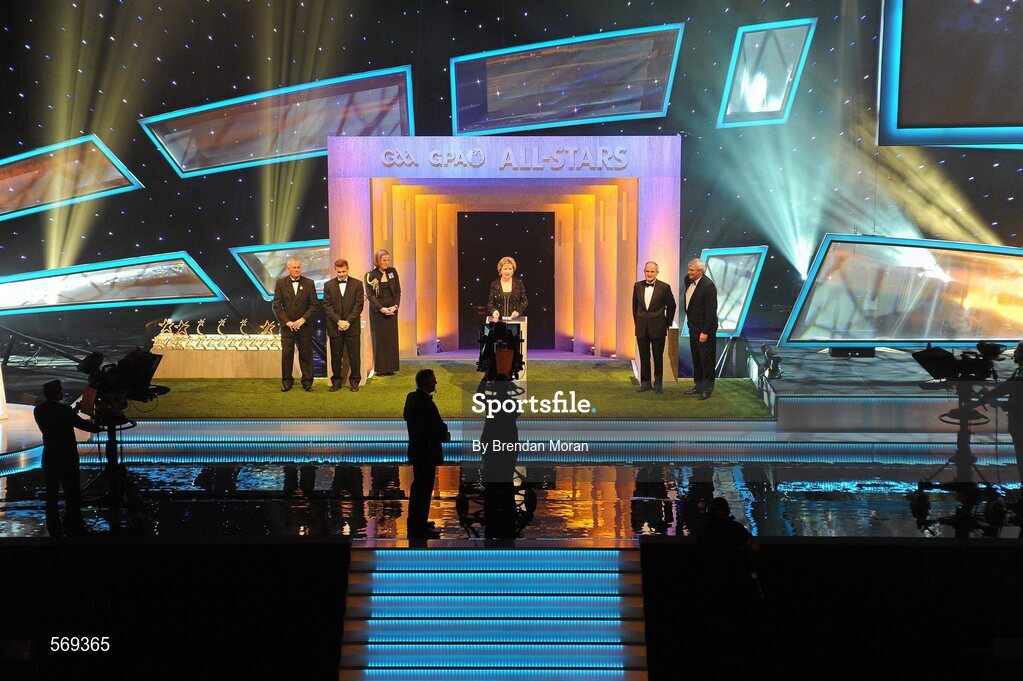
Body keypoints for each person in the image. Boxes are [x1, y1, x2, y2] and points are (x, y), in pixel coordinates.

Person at [33, 380, 101, 538]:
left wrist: (72, 411)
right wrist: (96, 423)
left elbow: (61, 419)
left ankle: (54, 529)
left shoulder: (39, 410)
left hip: (50, 457)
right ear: (57, 392)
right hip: (67, 457)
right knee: (72, 494)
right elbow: (83, 425)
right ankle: (74, 527)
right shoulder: (64, 411)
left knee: (51, 496)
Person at [403, 369, 449, 539]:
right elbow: (434, 426)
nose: (436, 382)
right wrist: (444, 432)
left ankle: (417, 521)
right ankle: (419, 525)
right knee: (423, 489)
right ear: (426, 382)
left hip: (418, 451)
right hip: (426, 452)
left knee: (419, 488)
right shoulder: (425, 403)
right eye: (434, 380)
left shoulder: (412, 399)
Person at [982, 340, 1023, 500]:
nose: (1014, 353)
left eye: (1018, 350)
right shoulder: (1019, 372)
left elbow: (1018, 401)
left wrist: (998, 403)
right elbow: (1007, 387)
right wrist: (988, 397)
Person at [272, 258, 319, 392]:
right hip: (287, 326)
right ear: (288, 269)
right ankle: (287, 382)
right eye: (294, 267)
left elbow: (314, 305)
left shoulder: (309, 283)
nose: (297, 269)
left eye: (299, 267)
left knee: (306, 354)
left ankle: (307, 382)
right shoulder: (281, 283)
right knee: (287, 355)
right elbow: (276, 306)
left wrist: (303, 319)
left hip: (304, 326)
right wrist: (287, 322)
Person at [632, 261, 677, 394]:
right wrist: (637, 322)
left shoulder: (664, 287)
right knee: (644, 356)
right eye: (647, 271)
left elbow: (672, 306)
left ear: (657, 272)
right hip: (641, 328)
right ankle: (645, 384)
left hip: (658, 328)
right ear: (644, 271)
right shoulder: (637, 286)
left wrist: (667, 323)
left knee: (658, 357)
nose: (649, 274)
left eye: (652, 271)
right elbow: (634, 307)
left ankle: (658, 385)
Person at [322, 258, 365, 393]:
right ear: (335, 270)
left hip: (352, 326)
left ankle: (355, 382)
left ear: (348, 269)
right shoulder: (328, 285)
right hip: (335, 326)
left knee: (354, 355)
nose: (341, 274)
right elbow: (327, 306)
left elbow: (359, 306)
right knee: (335, 356)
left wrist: (347, 322)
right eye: (339, 271)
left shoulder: (358, 284)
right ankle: (336, 382)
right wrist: (338, 321)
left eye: (343, 271)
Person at [683, 258, 719, 400]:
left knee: (707, 360)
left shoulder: (708, 286)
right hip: (693, 326)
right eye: (689, 269)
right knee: (696, 358)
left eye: (692, 270)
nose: (689, 272)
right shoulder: (688, 279)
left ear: (701, 271)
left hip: (705, 329)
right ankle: (698, 385)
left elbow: (711, 312)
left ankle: (707, 389)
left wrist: (705, 332)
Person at [366, 249, 401, 376]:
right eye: (384, 260)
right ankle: (380, 369)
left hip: (392, 310)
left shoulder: (393, 272)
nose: (386, 263)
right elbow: (370, 295)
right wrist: (381, 308)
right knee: (379, 339)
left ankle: (391, 367)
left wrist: (395, 306)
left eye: (388, 260)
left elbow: (398, 291)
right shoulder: (371, 275)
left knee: (391, 338)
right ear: (378, 261)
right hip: (378, 312)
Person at [488, 256, 528, 321]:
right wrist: (493, 311)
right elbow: (490, 303)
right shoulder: (494, 284)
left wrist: (518, 311)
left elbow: (524, 301)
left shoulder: (519, 283)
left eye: (510, 268)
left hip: (515, 320)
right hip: (499, 321)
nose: (508, 271)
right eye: (505, 269)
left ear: (513, 270)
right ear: (500, 270)